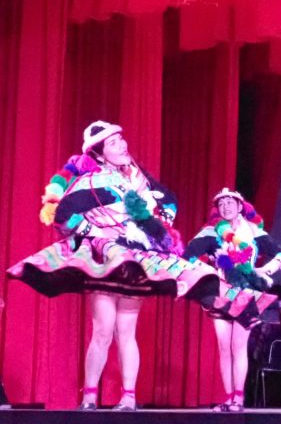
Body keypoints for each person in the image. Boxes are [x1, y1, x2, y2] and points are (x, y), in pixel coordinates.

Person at [7, 121, 227, 411]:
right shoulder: (93, 181)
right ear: (99, 154)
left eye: (121, 139)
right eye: (112, 143)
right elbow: (62, 215)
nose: (122, 145)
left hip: (135, 257)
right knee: (103, 330)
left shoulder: (139, 179)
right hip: (107, 258)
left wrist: (158, 223)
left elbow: (169, 202)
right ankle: (89, 397)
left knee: (126, 330)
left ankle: (128, 397)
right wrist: (98, 231)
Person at [185, 188, 281, 412]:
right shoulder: (212, 232)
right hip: (220, 292)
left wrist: (262, 271)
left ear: (240, 206)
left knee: (238, 345)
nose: (226, 207)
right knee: (224, 347)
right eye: (221, 204)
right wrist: (207, 269)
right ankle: (228, 397)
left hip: (246, 291)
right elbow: (188, 254)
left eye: (230, 202)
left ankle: (239, 399)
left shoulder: (253, 231)